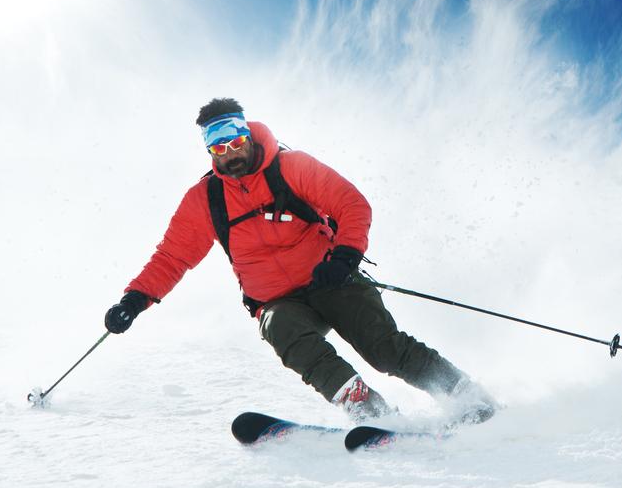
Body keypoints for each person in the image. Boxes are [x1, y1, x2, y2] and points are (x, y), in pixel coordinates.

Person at [103, 98, 494, 422]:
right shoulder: (205, 200)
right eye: (216, 144)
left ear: (246, 132)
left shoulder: (290, 167)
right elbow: (173, 256)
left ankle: (464, 394)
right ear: (208, 150)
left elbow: (351, 204)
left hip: (330, 278)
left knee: (383, 348)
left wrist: (344, 257)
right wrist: (134, 300)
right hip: (276, 300)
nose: (229, 151)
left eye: (233, 138)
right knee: (282, 330)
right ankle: (370, 411)